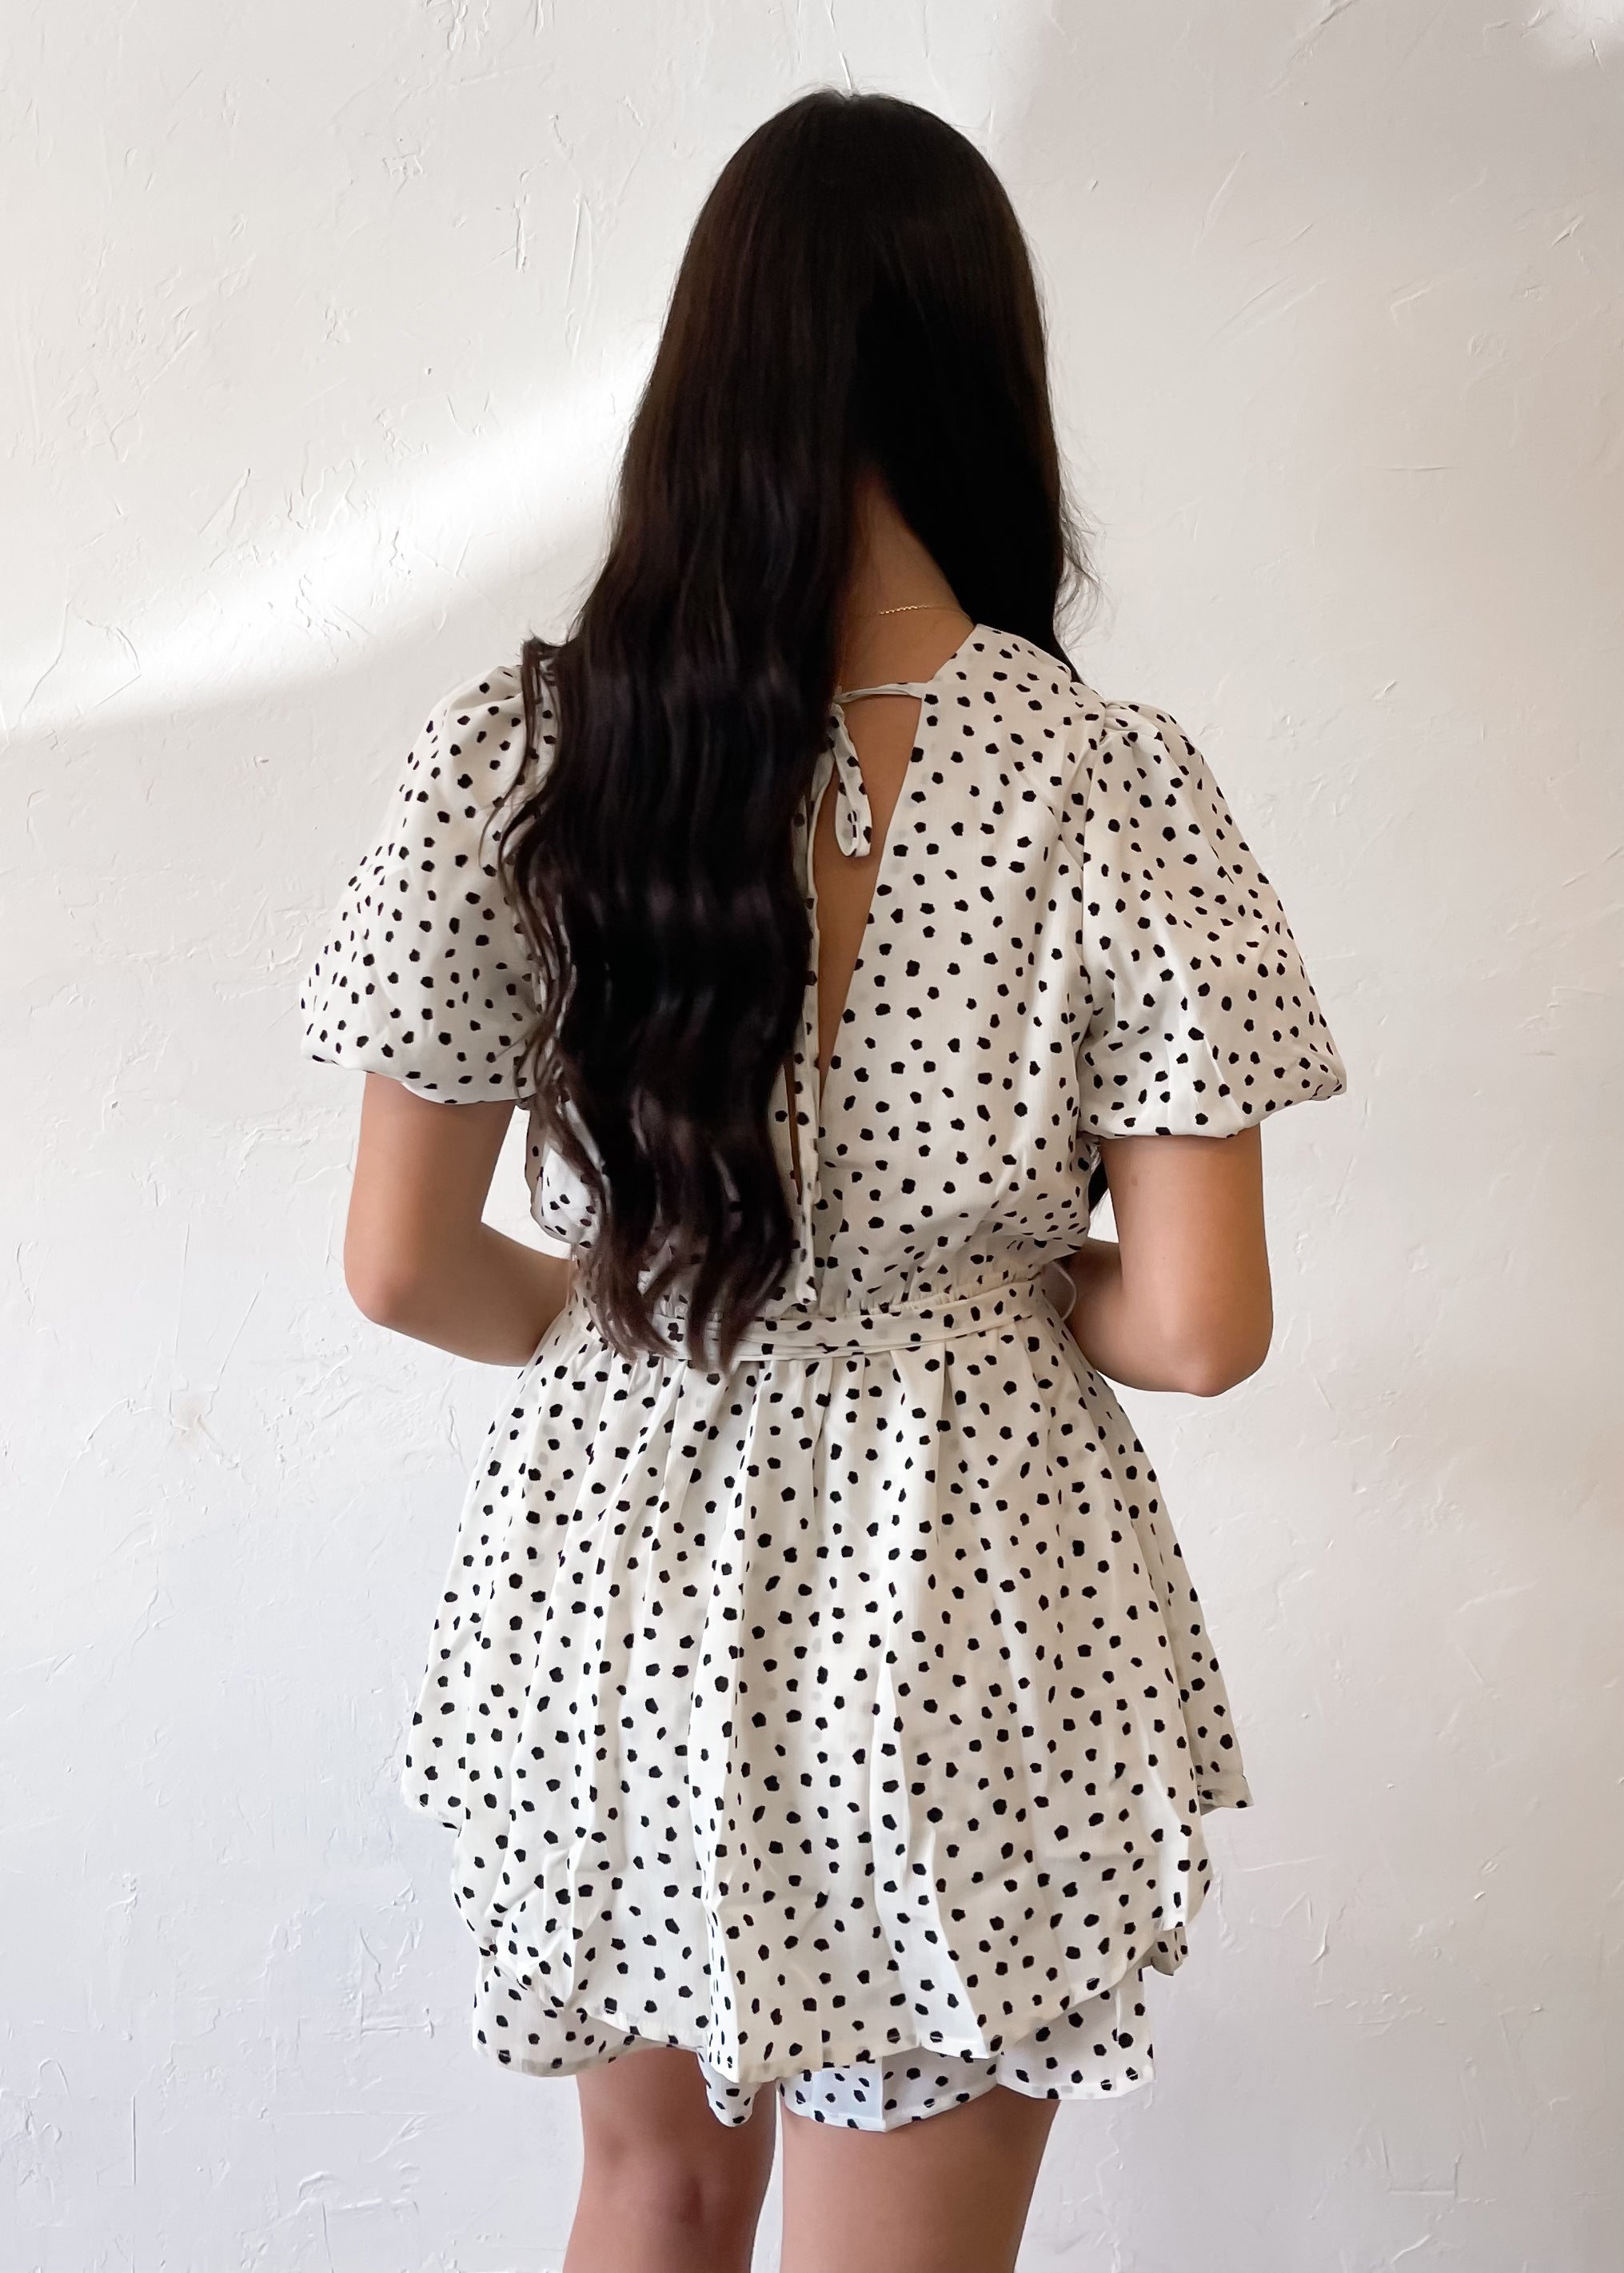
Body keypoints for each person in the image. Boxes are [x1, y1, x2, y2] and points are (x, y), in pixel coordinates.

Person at [299, 87, 1346, 2273]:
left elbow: (397, 1267)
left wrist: (659, 1300)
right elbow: (1200, 1326)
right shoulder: (1110, 784)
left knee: (651, 2189)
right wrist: (987, 1292)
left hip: (621, 1557)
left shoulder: (534, 746)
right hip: (970, 1575)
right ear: (984, 375)